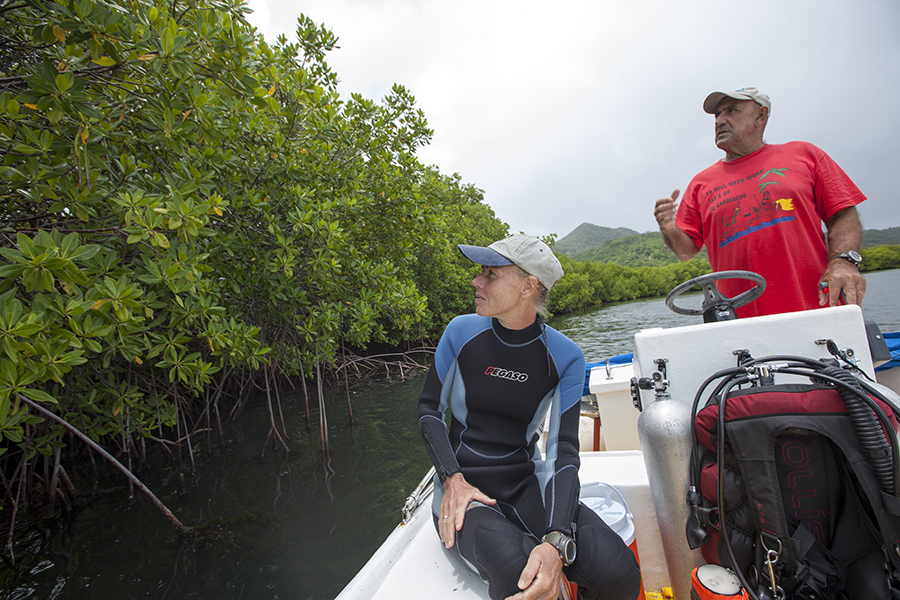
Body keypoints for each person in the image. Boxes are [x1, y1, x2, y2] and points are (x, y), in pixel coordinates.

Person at [417, 234, 641, 600]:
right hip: (462, 487)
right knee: (516, 571)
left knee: (617, 571)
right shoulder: (460, 332)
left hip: (524, 481)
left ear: (527, 286)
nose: (477, 281)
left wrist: (556, 539)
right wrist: (452, 481)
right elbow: (429, 411)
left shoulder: (566, 356)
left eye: (490, 274)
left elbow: (563, 451)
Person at [653, 87, 867, 318]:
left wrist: (844, 261)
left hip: (818, 309)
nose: (720, 121)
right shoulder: (700, 183)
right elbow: (685, 250)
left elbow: (842, 214)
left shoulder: (805, 154)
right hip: (739, 323)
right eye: (717, 115)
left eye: (731, 111)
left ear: (760, 116)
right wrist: (669, 227)